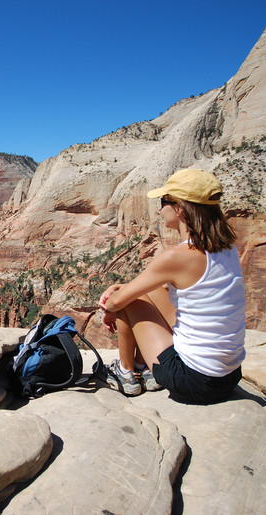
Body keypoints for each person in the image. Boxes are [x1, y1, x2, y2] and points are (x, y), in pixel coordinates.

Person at [98, 168, 246, 403]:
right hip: (229, 376)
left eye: (163, 201)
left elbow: (117, 302)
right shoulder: (229, 249)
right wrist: (121, 287)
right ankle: (143, 368)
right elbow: (161, 289)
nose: (160, 208)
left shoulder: (178, 256)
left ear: (179, 208)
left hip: (193, 380)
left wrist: (112, 303)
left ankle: (126, 373)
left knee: (127, 299)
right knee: (136, 292)